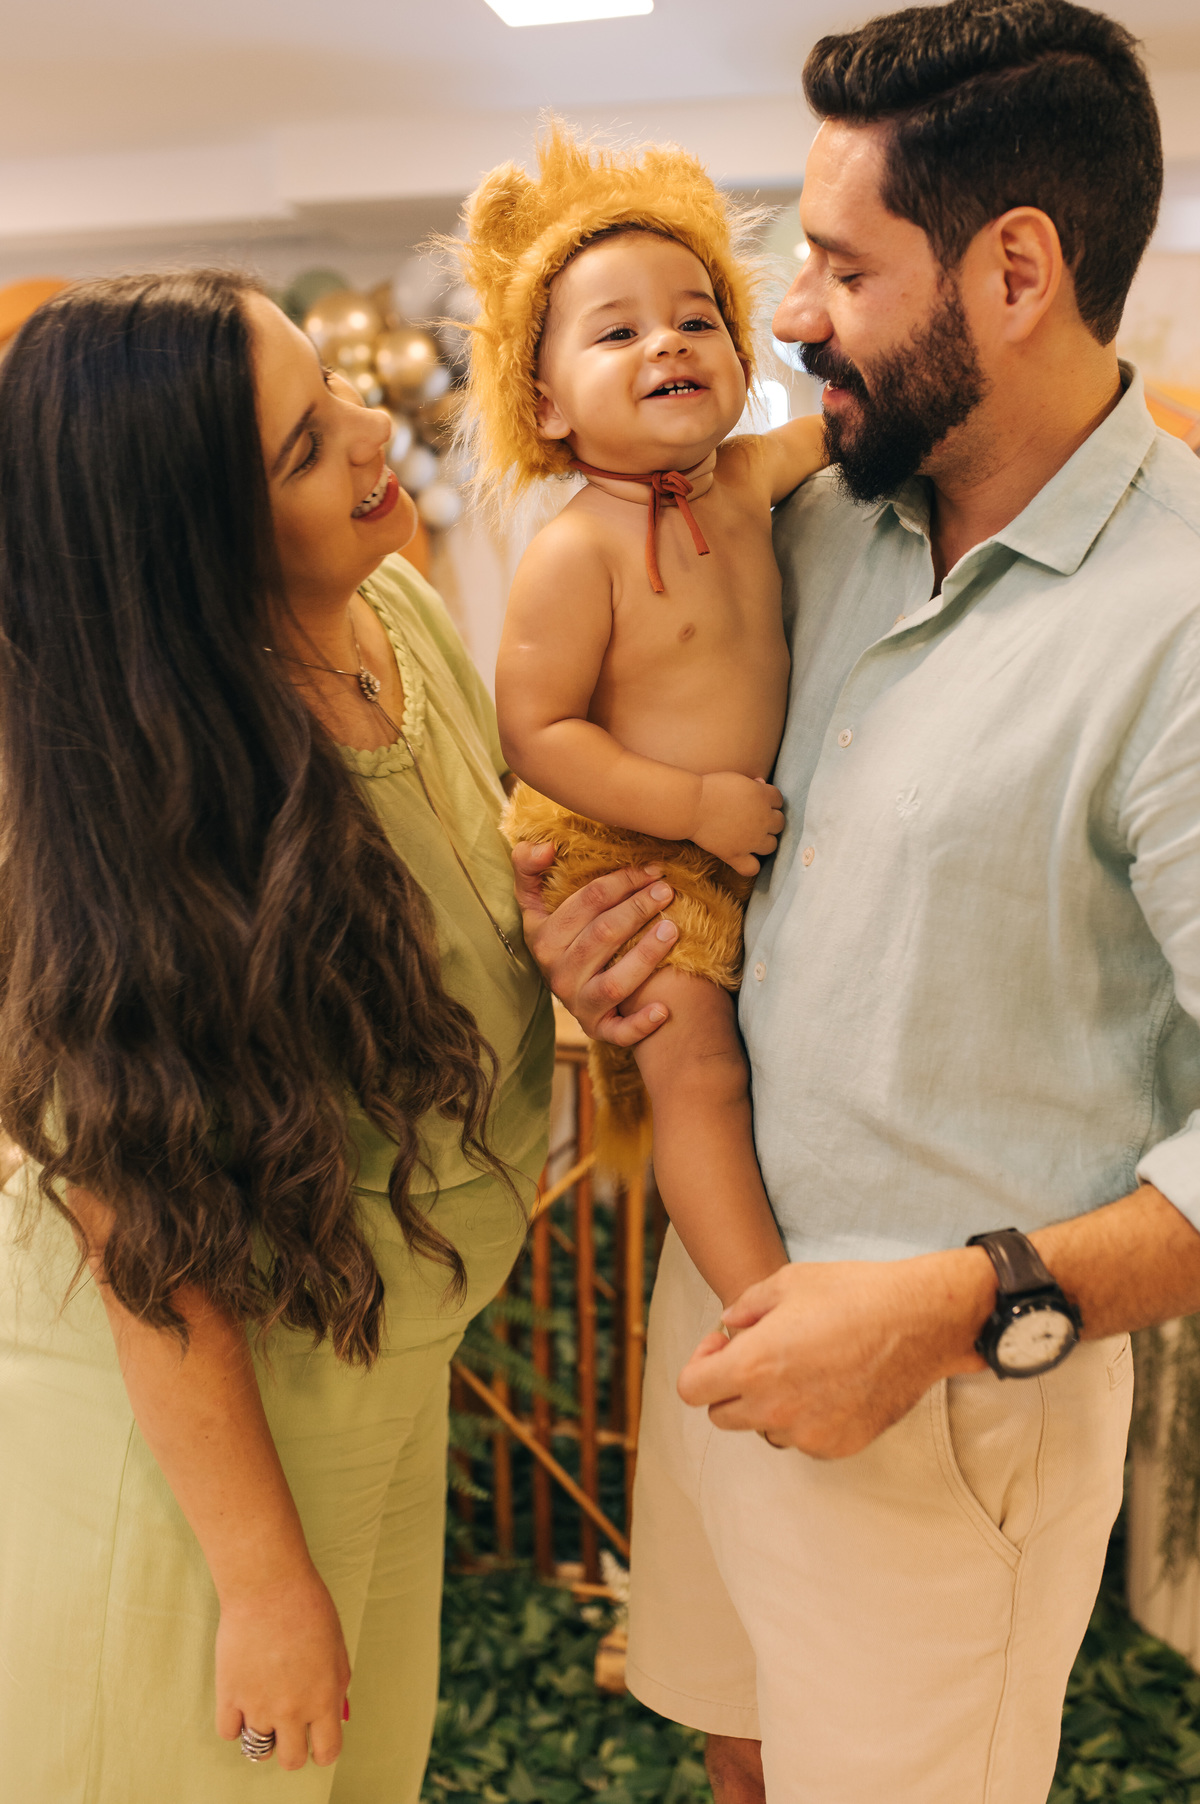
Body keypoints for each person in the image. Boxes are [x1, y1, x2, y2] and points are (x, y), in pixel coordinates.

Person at [512, 1, 1200, 1799]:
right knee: (741, 1760)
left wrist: (950, 1310)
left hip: (943, 1388)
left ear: (1016, 273)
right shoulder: (810, 522)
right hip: (720, 1294)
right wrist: (602, 948)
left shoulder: (1183, 625)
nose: (790, 314)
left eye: (840, 264)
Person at [0, 270, 552, 1804]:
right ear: (192, 551)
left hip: (387, 1366)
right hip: (199, 1442)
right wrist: (259, 1577)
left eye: (336, 390)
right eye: (308, 446)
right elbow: (141, 1223)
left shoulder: (395, 613)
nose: (376, 431)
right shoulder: (133, 795)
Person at [458, 127, 825, 1308]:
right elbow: (538, 734)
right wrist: (694, 804)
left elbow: (854, 426)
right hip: (622, 843)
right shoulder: (578, 550)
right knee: (700, 1074)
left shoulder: (750, 479)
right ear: (546, 405)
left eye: (697, 319)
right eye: (617, 333)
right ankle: (764, 1309)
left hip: (718, 835)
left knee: (742, 1060)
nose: (667, 341)